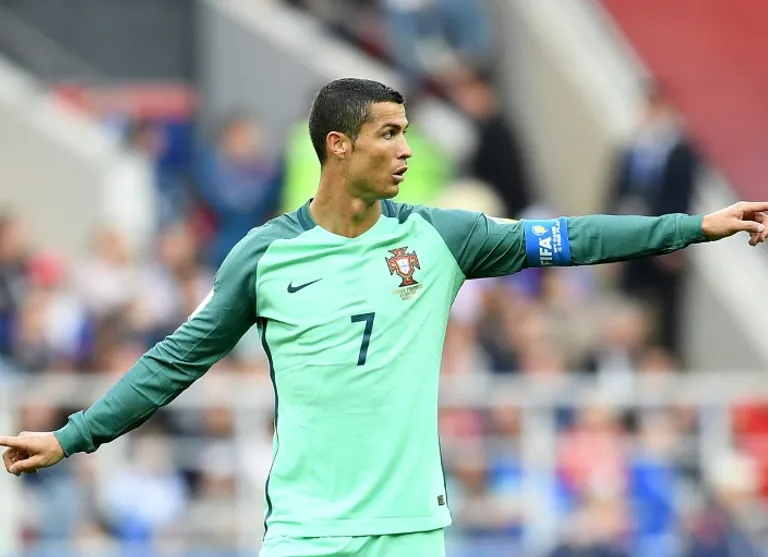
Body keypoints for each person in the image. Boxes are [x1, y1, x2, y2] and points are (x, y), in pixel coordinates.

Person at [1, 78, 766, 557]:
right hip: (304, 530)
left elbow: (568, 238)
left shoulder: (441, 236)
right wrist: (73, 435)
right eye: (389, 134)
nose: (405, 150)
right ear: (338, 146)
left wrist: (693, 226)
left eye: (405, 133)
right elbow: (176, 359)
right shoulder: (265, 256)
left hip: (409, 530)